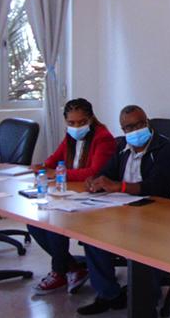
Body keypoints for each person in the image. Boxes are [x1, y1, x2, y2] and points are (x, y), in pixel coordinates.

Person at [76, 105, 170, 317]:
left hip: (162, 209)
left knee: (144, 241)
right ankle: (109, 295)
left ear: (147, 122)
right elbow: (107, 172)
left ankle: (146, 308)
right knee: (93, 236)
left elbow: (158, 186)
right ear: (123, 129)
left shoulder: (166, 149)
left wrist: (120, 186)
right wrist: (95, 180)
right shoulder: (121, 146)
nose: (135, 130)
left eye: (140, 124)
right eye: (129, 127)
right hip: (126, 208)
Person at [28, 98, 116, 295]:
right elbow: (53, 160)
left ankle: (59, 271)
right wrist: (43, 167)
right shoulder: (70, 137)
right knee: (35, 223)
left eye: (81, 122)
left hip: (95, 196)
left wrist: (58, 173)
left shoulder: (103, 138)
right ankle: (72, 267)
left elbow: (94, 172)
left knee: (54, 221)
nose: (76, 127)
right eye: (71, 123)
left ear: (91, 119)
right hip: (72, 192)